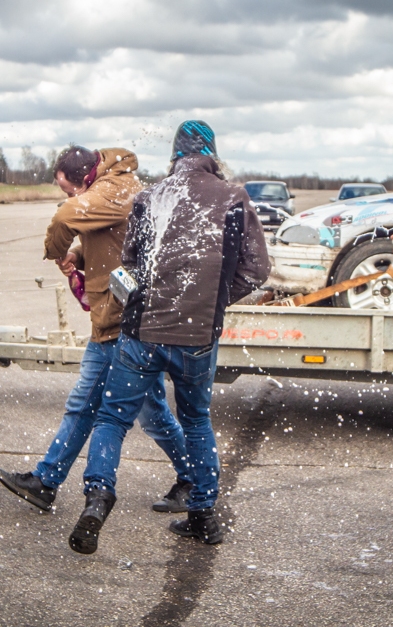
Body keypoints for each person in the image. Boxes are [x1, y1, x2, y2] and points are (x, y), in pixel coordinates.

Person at [68, 120, 270, 555]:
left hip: (142, 332)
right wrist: (214, 299)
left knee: (112, 420)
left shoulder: (150, 196)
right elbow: (256, 270)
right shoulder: (234, 198)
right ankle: (202, 516)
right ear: (212, 152)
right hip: (198, 335)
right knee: (196, 420)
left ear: (176, 154)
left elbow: (130, 263)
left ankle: (97, 500)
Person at [0, 145, 194, 513]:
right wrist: (81, 256)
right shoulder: (113, 185)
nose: (70, 196)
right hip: (124, 315)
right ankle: (48, 479)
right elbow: (117, 240)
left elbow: (65, 219)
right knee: (149, 412)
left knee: (89, 405)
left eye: (69, 188)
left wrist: (56, 251)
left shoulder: (108, 190)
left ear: (84, 178)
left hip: (120, 320)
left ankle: (48, 480)